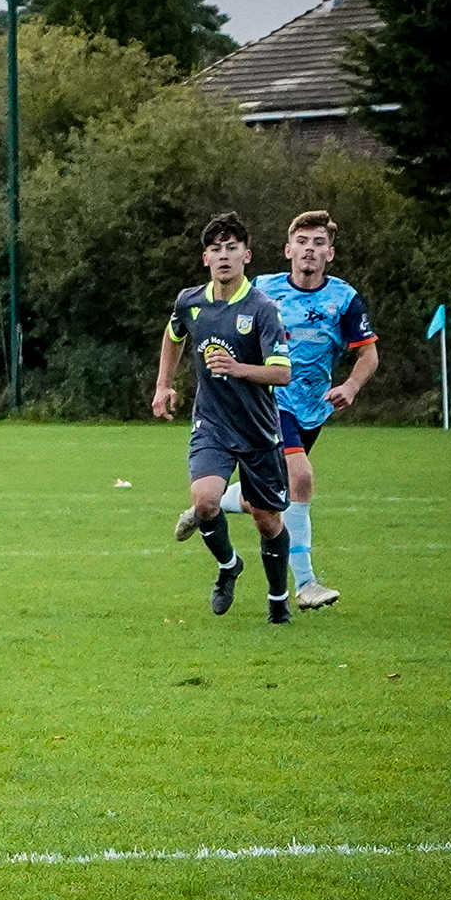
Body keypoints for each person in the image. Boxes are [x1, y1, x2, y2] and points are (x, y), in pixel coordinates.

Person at [173, 211, 378, 609]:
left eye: (318, 243)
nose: (309, 250)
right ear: (288, 250)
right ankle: (306, 583)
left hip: (312, 408)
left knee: (268, 500)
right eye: (302, 242)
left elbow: (368, 354)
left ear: (330, 253)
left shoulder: (344, 298)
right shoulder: (264, 291)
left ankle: (208, 506)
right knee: (300, 477)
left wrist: (351, 385)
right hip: (268, 403)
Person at [152, 212, 296, 622]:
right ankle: (229, 566)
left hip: (257, 428)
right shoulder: (190, 302)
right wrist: (163, 385)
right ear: (206, 259)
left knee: (267, 520)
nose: (224, 256)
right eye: (216, 249)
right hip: (211, 424)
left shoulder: (263, 309)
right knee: (205, 501)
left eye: (232, 248)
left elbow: (282, 373)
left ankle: (278, 599)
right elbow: (173, 336)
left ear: (246, 255)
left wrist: (238, 368)